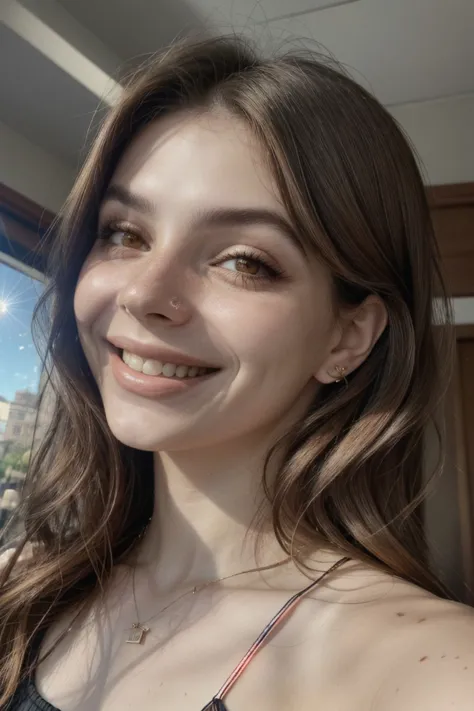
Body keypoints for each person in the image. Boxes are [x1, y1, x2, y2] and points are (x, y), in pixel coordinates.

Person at [1, 35, 473, 711]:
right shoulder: (22, 593)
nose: (143, 292)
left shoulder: (433, 672)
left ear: (348, 336)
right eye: (125, 233)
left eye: (244, 260)